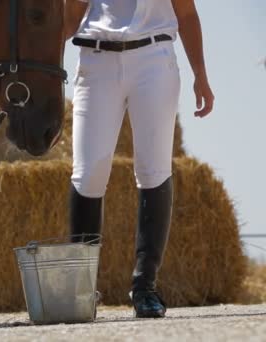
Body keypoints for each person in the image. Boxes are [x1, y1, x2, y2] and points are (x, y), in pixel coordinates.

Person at [64, 0, 214, 318]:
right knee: (88, 172)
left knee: (153, 169)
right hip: (95, 60)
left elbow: (186, 14)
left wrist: (200, 74)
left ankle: (145, 287)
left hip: (154, 61)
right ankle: (81, 290)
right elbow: (72, 13)